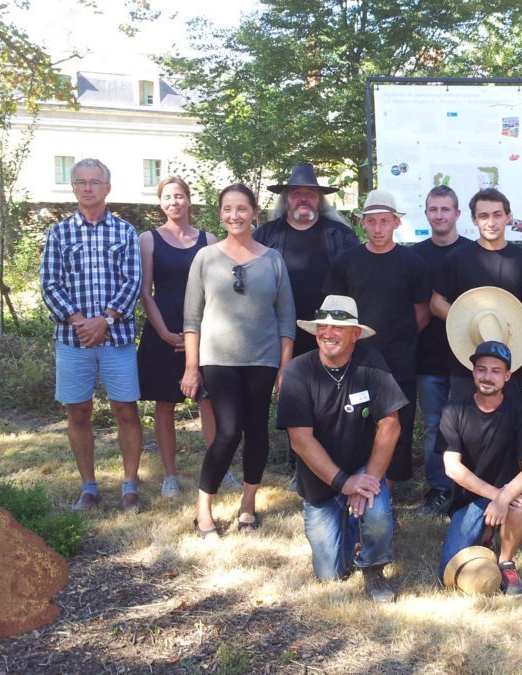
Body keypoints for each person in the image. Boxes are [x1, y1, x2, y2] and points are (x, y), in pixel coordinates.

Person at [276, 295, 408, 603]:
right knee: (330, 574)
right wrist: (343, 483)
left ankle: (374, 567)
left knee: (375, 513)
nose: (328, 333)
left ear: (355, 334)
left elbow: (391, 425)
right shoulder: (297, 371)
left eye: (338, 327)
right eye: (323, 325)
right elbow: (300, 441)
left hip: (363, 470)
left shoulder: (371, 363)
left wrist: (366, 482)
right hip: (319, 482)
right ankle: (350, 524)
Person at [181, 184, 295, 538]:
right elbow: (191, 318)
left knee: (257, 432)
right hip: (218, 359)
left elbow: (286, 319)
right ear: (220, 213)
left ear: (255, 212)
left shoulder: (273, 259)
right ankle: (204, 511)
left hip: (262, 359)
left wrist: (284, 366)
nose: (235, 216)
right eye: (228, 209)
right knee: (228, 433)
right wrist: (191, 366)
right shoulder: (206, 258)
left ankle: (248, 506)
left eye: (242, 209)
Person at [39, 158, 145, 513]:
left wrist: (106, 319)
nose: (88, 188)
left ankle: (129, 485)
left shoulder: (124, 232)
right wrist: (81, 321)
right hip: (73, 341)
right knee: (78, 413)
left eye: (95, 181)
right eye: (81, 181)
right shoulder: (59, 233)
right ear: (73, 187)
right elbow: (49, 284)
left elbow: (134, 282)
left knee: (125, 411)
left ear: (107, 188)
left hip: (117, 339)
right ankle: (89, 486)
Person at [253, 163, 359, 487]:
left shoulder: (339, 235)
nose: (303, 199)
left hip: (329, 332)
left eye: (309, 194)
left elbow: (357, 280)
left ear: (319, 200)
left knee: (328, 396)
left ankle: (326, 459)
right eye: (296, 193)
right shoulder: (266, 235)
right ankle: (296, 459)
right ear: (285, 198)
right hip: (279, 332)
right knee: (292, 395)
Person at [323, 189, 430, 492]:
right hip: (353, 359)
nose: (378, 228)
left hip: (398, 360)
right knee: (353, 422)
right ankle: (352, 483)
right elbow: (335, 311)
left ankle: (385, 490)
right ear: (363, 224)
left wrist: (398, 340)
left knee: (396, 424)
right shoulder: (346, 261)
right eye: (372, 222)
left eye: (385, 221)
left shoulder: (413, 263)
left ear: (396, 223)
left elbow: (421, 314)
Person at [438, 341, 522, 597]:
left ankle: (506, 561)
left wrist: (504, 497)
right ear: (473, 373)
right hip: (469, 501)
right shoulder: (454, 409)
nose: (487, 376)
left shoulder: (520, 412)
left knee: (518, 504)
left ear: (507, 376)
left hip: (509, 496)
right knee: (448, 572)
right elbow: (452, 468)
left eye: (496, 371)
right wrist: (495, 496)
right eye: (482, 369)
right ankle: (487, 532)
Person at [136, 177, 217, 498]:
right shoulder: (148, 239)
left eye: (179, 196)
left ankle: (217, 468)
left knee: (209, 401)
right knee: (165, 404)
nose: (174, 202)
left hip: (204, 330)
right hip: (162, 331)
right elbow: (144, 291)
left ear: (189, 200)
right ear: (160, 203)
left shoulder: (208, 239)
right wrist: (164, 333)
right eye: (168, 197)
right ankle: (170, 475)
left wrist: (200, 331)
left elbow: (216, 290)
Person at [430, 187, 522, 401]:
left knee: (510, 427)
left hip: (509, 362)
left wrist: (516, 329)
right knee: (462, 428)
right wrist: (469, 322)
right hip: (465, 363)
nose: (491, 222)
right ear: (474, 220)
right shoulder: (456, 258)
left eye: (497, 215)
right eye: (483, 216)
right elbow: (436, 303)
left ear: (508, 217)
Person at [410, 185, 473, 514]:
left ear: (457, 214)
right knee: (435, 424)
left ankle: (469, 489)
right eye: (433, 209)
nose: (439, 215)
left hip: (467, 359)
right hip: (429, 356)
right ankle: (439, 488)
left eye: (445, 209)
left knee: (468, 424)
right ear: (426, 214)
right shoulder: (415, 255)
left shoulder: (473, 253)